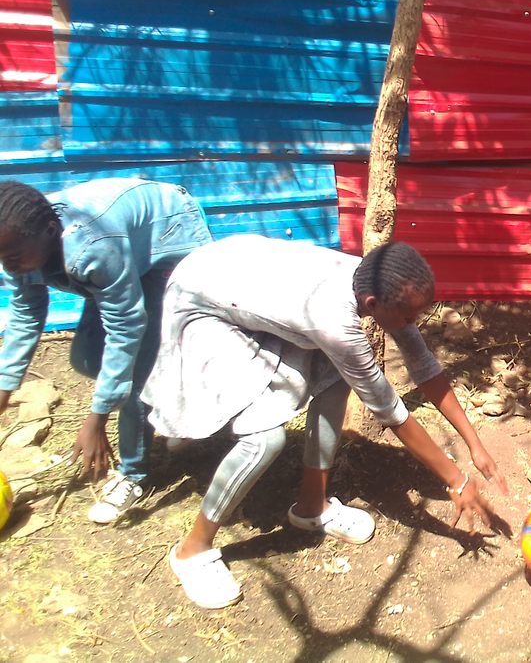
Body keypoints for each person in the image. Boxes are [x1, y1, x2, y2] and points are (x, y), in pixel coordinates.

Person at [141, 235, 509, 610]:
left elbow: (423, 364)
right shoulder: (336, 318)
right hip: (199, 298)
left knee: (335, 378)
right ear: (372, 305)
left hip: (240, 280)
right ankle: (193, 551)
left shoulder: (382, 285)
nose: (413, 324)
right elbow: (388, 408)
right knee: (264, 440)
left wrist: (474, 444)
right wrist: (456, 480)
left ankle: (311, 507)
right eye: (408, 317)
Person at [0, 178, 212, 523]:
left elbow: (125, 326)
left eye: (11, 258)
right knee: (87, 360)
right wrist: (5, 388)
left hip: (167, 237)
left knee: (135, 379)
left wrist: (97, 418)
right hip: (119, 252)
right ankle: (171, 405)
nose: (7, 267)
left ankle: (133, 474)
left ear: (50, 231)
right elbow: (25, 315)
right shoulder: (17, 242)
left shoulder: (92, 246)